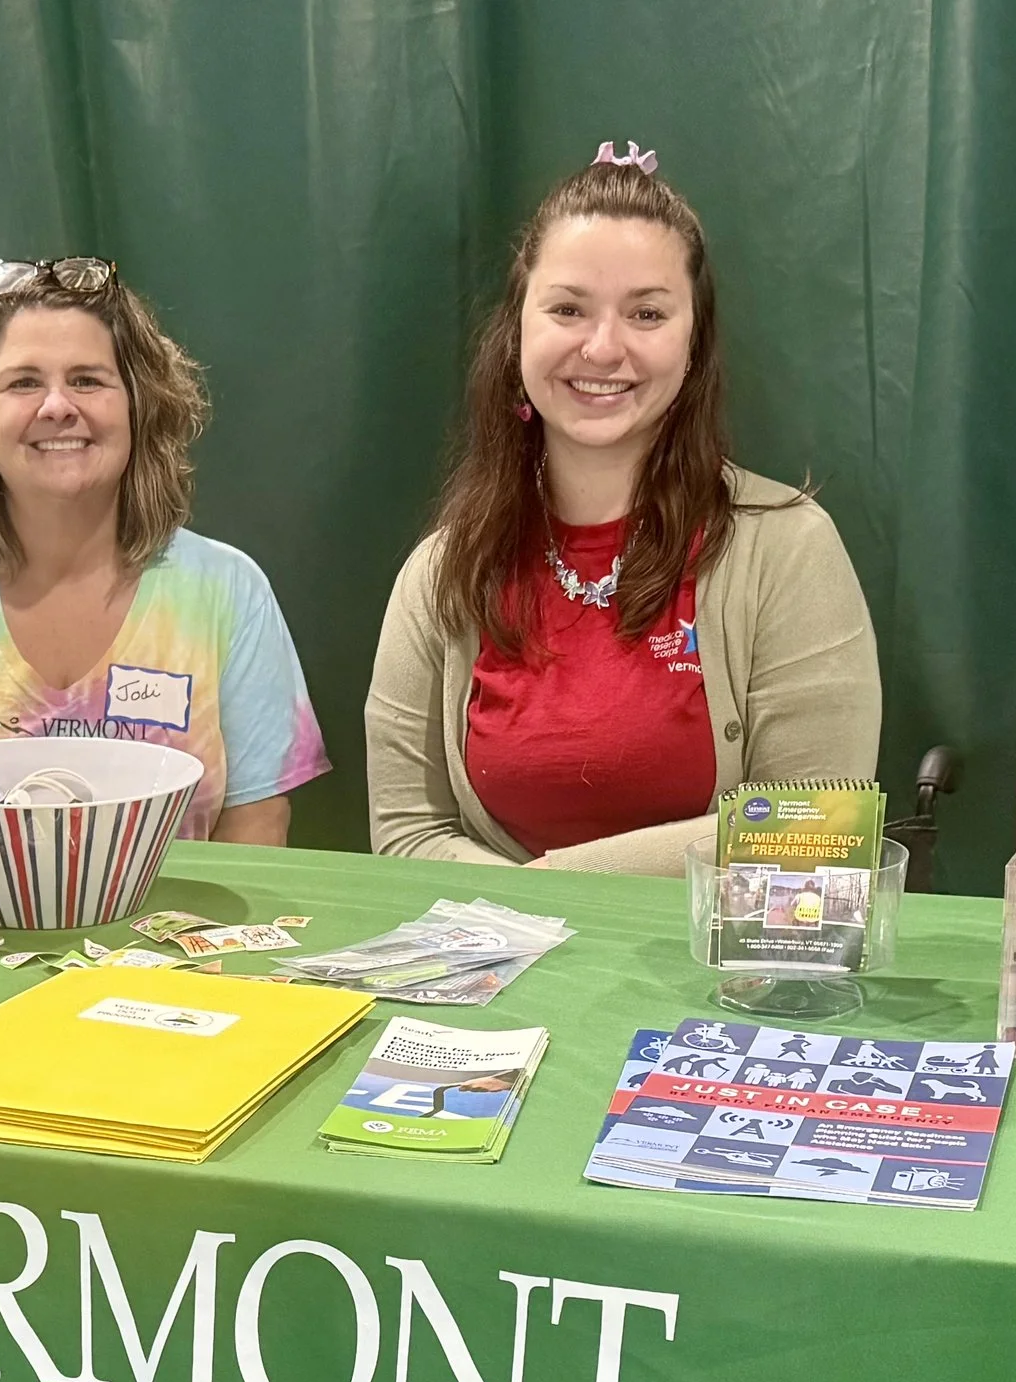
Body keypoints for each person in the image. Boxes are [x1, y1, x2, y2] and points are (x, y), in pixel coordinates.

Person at [365, 144, 879, 873]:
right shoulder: (441, 572)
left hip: (712, 980)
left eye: (646, 313)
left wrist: (552, 893)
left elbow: (816, 825)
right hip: (497, 977)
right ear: (518, 334)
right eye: (569, 309)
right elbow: (408, 837)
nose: (603, 348)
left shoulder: (790, 549)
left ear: (694, 342)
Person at [0, 256, 327, 843]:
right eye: (23, 382)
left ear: (140, 407)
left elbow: (258, 827)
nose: (57, 406)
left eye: (88, 380)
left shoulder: (229, 591)